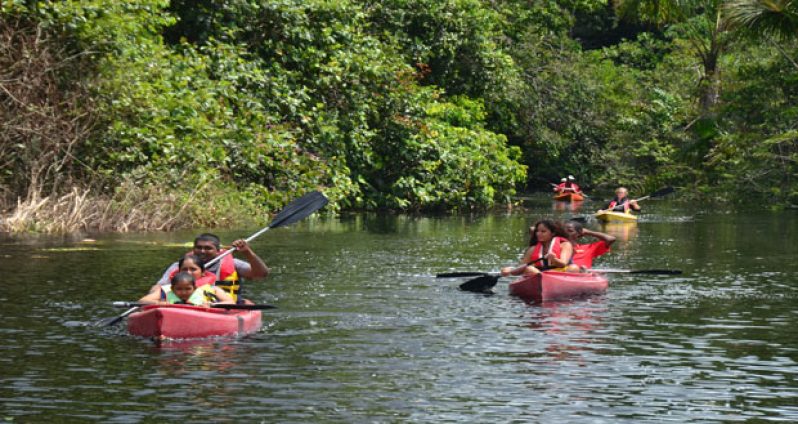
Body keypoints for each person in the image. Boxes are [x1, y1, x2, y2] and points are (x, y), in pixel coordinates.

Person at [151, 233, 269, 302]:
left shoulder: (233, 263)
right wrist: (155, 298)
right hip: (184, 305)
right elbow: (159, 287)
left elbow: (262, 274)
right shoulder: (179, 266)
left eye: (208, 248)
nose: (202, 251)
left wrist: (247, 252)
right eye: (199, 247)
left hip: (223, 307)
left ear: (218, 251)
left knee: (248, 304)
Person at [501, 220, 573, 277]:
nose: (538, 234)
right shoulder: (533, 249)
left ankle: (543, 277)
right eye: (537, 231)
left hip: (559, 274)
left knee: (574, 268)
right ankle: (542, 277)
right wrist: (510, 270)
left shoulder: (565, 245)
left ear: (553, 233)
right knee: (529, 269)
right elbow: (520, 268)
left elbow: (563, 264)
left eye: (543, 231)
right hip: (539, 274)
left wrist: (554, 259)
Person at [139, 263, 235, 306]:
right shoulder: (166, 290)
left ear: (195, 288)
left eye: (188, 289)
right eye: (179, 289)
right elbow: (142, 301)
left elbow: (231, 302)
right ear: (172, 288)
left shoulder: (211, 290)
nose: (183, 292)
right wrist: (159, 303)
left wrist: (212, 305)